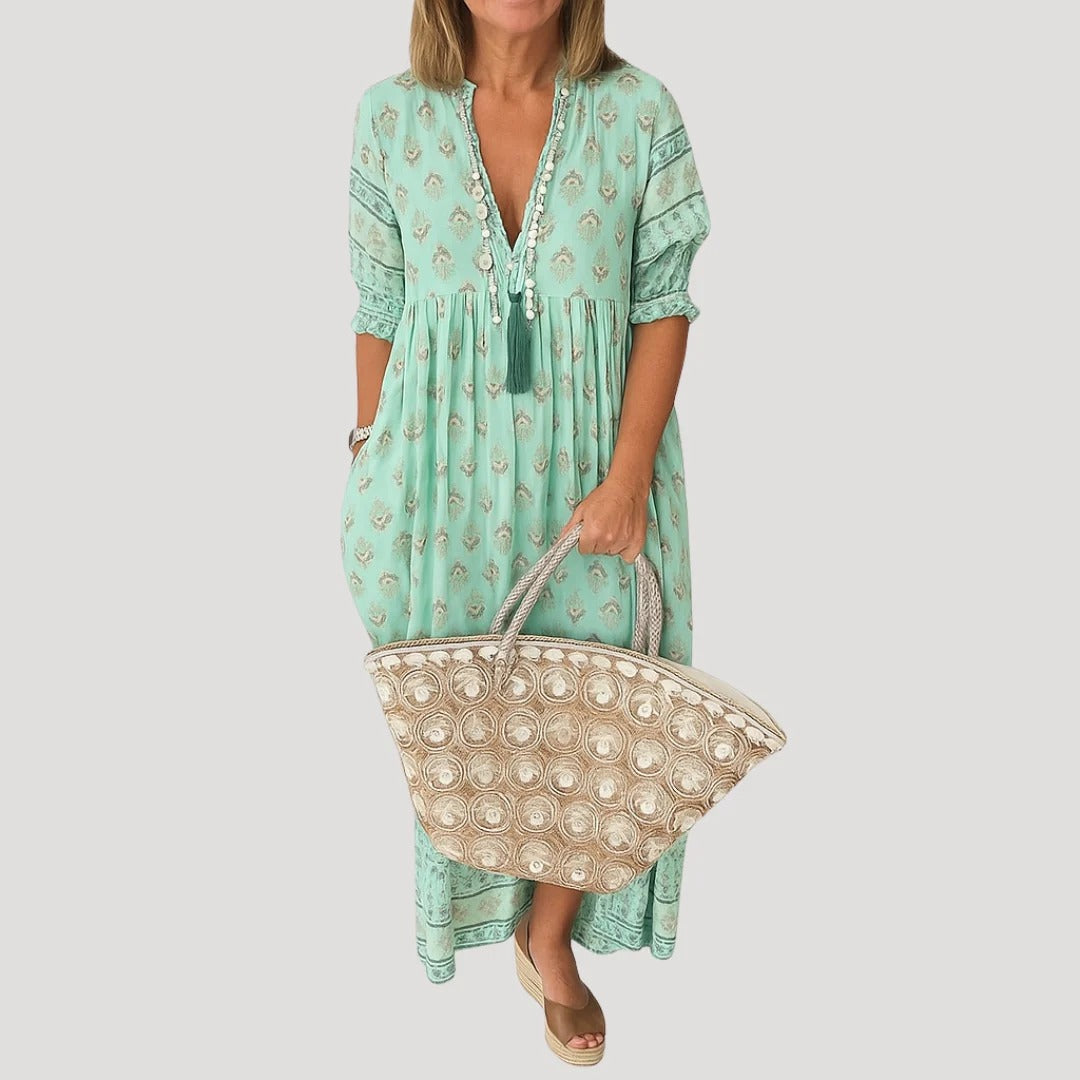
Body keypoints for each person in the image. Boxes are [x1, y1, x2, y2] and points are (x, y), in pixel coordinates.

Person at [339, 0, 710, 1063]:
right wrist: (367, 455)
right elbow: (380, 306)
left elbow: (662, 302)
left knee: (605, 707)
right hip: (434, 481)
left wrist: (629, 477)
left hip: (600, 472)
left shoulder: (639, 112)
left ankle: (549, 936)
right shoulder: (388, 117)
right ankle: (491, 904)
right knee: (472, 711)